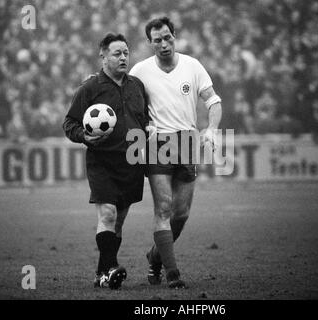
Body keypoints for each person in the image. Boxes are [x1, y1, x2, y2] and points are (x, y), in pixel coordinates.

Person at [129, 17, 223, 288]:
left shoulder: (192, 66)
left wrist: (212, 128)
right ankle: (172, 274)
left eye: (167, 37)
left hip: (187, 143)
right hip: (157, 145)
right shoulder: (141, 71)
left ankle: (155, 257)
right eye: (157, 40)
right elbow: (122, 94)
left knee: (180, 215)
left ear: (174, 36)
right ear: (150, 43)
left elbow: (213, 101)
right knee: (164, 208)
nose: (164, 44)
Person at [62, 33, 149, 289]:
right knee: (108, 214)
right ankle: (111, 267)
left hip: (132, 162)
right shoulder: (89, 88)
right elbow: (69, 124)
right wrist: (85, 137)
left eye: (126, 53)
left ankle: (102, 274)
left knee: (118, 222)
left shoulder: (137, 86)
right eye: (117, 53)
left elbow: (144, 120)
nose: (123, 57)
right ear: (103, 57)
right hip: (102, 163)